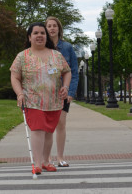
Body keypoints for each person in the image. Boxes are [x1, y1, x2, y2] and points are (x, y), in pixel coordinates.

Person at [10, 22, 71, 175]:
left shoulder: (56, 55)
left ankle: (45, 161)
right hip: (32, 100)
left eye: (42, 33)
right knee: (38, 130)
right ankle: (37, 164)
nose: (39, 36)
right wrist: (20, 94)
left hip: (54, 101)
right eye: (35, 33)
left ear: (46, 36)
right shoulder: (22, 56)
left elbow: (67, 71)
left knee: (49, 132)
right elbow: (15, 77)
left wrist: (66, 87)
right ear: (29, 37)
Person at [45, 16, 79, 167]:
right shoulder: (42, 47)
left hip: (63, 92)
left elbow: (74, 72)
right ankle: (47, 158)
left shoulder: (67, 48)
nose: (52, 28)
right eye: (49, 26)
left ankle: (60, 157)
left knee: (61, 124)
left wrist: (71, 92)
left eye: (54, 26)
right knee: (47, 126)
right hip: (45, 92)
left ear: (59, 29)